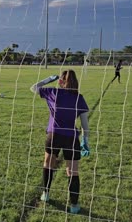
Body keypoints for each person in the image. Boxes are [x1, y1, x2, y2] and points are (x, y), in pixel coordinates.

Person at [30, 70, 90, 214]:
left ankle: (46, 194)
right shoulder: (79, 98)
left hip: (54, 135)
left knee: (48, 164)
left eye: (59, 79)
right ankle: (74, 205)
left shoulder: (53, 92)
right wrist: (85, 140)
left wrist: (48, 79)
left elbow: (33, 88)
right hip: (71, 138)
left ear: (62, 81)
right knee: (72, 172)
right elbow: (85, 124)